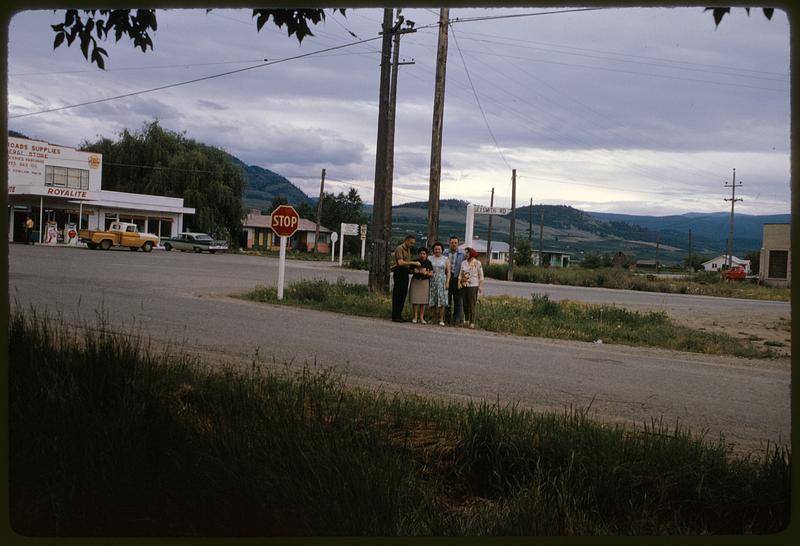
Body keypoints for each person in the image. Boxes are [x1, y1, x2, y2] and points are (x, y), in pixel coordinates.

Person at [390, 234, 421, 322]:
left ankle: (399, 314)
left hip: (405, 272)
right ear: (406, 241)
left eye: (413, 243)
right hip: (399, 271)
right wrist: (414, 263)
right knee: (398, 293)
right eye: (411, 243)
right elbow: (400, 262)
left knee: (403, 294)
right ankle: (395, 315)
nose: (412, 245)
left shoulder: (408, 249)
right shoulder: (400, 249)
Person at [458, 247, 484, 329]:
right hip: (464, 285)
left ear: (471, 253)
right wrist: (459, 283)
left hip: (473, 285)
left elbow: (481, 276)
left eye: (467, 253)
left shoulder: (477, 263)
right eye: (465, 253)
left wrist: (480, 286)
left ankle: (472, 321)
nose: (466, 254)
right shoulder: (463, 263)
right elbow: (460, 274)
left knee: (472, 304)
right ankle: (466, 320)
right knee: (465, 303)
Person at [443, 236, 465, 325]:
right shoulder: (444, 253)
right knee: (447, 298)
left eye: (455, 243)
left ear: (458, 244)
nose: (454, 244)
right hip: (447, 277)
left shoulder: (462, 255)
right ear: (449, 243)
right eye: (452, 242)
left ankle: (456, 319)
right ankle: (446, 319)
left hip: (457, 278)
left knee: (458, 300)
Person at [428, 242, 450, 326]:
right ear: (433, 250)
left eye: (439, 249)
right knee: (432, 300)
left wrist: (447, 282)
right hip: (432, 280)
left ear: (442, 250)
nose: (437, 250)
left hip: (442, 281)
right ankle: (433, 318)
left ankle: (441, 319)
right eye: (436, 249)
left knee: (442, 300)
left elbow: (448, 272)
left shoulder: (445, 259)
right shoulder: (430, 258)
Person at [409, 247, 433, 324]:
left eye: (424, 254)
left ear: (426, 255)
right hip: (416, 281)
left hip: (424, 282)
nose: (422, 255)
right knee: (415, 300)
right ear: (418, 254)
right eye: (421, 254)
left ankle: (421, 318)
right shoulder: (415, 261)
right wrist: (414, 271)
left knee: (423, 301)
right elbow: (409, 270)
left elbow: (431, 273)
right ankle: (415, 317)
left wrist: (426, 273)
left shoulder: (428, 262)